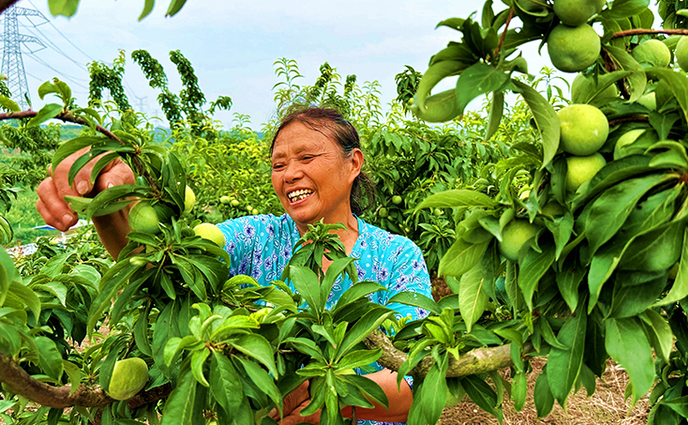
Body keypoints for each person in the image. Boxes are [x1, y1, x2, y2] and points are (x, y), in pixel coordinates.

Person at [36, 105, 432, 425]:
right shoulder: (257, 237)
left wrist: (324, 398)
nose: (290, 173)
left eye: (307, 157)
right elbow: (167, 264)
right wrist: (112, 202)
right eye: (278, 165)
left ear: (353, 164)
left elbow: (415, 386)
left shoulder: (397, 256)